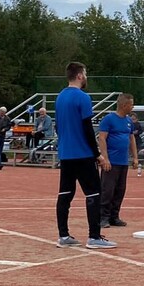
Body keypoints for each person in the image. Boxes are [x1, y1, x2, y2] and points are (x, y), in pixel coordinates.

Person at [54, 61, 115, 249]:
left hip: (66, 154)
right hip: (82, 154)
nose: (86, 77)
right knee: (94, 193)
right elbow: (87, 128)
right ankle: (94, 236)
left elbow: (58, 126)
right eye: (85, 74)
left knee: (65, 194)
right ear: (80, 75)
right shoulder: (83, 97)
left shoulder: (60, 97)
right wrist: (97, 154)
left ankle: (63, 235)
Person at [97, 92, 138, 228]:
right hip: (111, 162)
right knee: (107, 190)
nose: (133, 107)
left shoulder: (128, 121)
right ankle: (103, 217)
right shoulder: (108, 119)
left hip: (123, 161)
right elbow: (102, 138)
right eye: (131, 104)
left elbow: (131, 139)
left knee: (120, 190)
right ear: (124, 105)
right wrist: (105, 158)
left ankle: (114, 216)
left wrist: (135, 157)